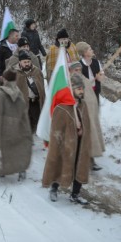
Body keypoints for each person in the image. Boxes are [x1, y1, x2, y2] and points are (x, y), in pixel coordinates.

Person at [42, 73, 92, 204]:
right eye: (78, 89)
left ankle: (75, 194)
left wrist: (82, 130)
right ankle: (54, 189)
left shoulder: (83, 105)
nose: (81, 91)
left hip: (80, 145)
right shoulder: (61, 108)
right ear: (71, 89)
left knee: (79, 168)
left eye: (82, 88)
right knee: (60, 166)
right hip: (66, 146)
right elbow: (56, 132)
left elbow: (87, 124)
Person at [0, 69, 33, 180]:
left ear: (4, 79)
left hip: (2, 128)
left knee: (2, 148)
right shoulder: (18, 93)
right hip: (16, 127)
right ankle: (21, 169)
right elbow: (23, 110)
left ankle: (1, 170)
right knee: (17, 148)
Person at [69, 61, 105, 171]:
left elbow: (90, 97)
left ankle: (91, 161)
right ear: (70, 71)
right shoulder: (69, 82)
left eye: (79, 70)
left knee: (89, 138)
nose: (78, 72)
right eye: (76, 70)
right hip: (75, 117)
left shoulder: (84, 80)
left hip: (87, 116)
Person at [9, 51, 45, 133]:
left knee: (37, 125)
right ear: (19, 62)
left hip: (35, 103)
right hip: (22, 104)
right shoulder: (14, 73)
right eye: (24, 62)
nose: (27, 64)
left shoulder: (36, 71)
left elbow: (42, 87)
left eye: (28, 61)